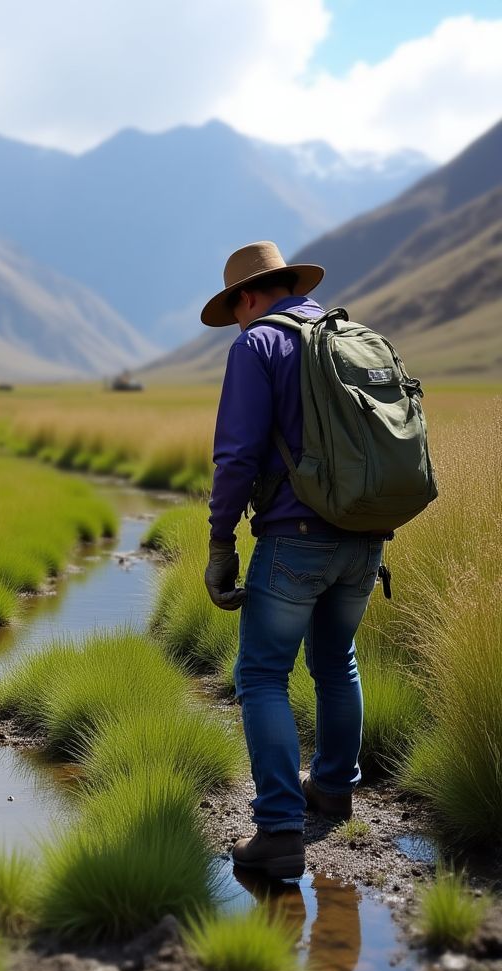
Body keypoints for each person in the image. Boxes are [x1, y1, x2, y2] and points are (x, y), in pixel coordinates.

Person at [201, 241, 385, 878]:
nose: (238, 323)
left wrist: (220, 542)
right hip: (366, 537)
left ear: (246, 297)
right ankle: (333, 789)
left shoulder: (258, 345)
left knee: (261, 674)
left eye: (235, 312)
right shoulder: (351, 335)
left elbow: (236, 459)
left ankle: (279, 831)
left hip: (293, 538)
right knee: (337, 661)